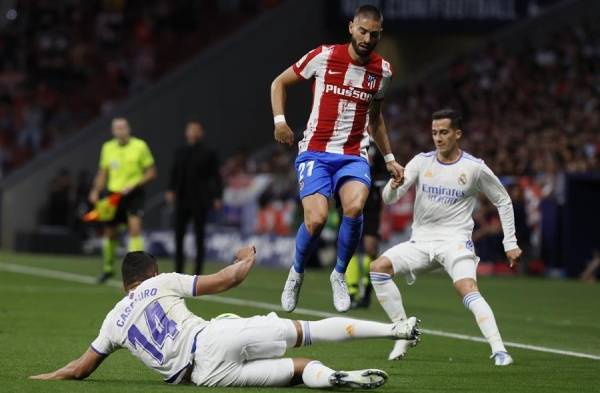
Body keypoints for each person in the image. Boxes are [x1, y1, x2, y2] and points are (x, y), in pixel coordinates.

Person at [29, 247, 421, 389]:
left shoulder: (113, 320)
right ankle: (394, 329)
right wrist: (246, 256)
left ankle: (335, 378)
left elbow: (80, 369)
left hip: (202, 377)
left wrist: (45, 377)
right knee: (307, 332)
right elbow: (227, 280)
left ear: (124, 285)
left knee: (300, 370)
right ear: (150, 273)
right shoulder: (161, 282)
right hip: (210, 339)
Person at [271, 4, 403, 313]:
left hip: (353, 154)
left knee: (355, 206)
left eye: (374, 34)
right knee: (315, 220)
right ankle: (296, 273)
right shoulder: (324, 55)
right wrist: (280, 121)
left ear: (379, 35)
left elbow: (377, 118)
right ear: (351, 28)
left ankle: (340, 274)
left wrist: (390, 158)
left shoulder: (382, 71)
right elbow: (278, 83)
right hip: (315, 151)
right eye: (363, 31)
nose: (368, 38)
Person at [369, 109, 522, 365]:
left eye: (444, 132)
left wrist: (511, 242)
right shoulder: (421, 162)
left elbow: (503, 200)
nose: (438, 138)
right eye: (434, 133)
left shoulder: (474, 168)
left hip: (455, 242)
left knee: (467, 289)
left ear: (457, 134)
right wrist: (391, 187)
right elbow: (389, 199)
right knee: (378, 269)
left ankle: (499, 350)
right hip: (421, 242)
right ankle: (403, 331)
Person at [89, 117, 157, 283]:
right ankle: (108, 268)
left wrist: (134, 184)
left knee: (134, 229)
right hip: (114, 194)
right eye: (117, 128)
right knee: (110, 232)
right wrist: (96, 190)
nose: (120, 131)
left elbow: (151, 172)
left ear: (129, 129)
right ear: (113, 131)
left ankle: (139, 272)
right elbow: (103, 172)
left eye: (123, 127)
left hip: (134, 194)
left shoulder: (140, 146)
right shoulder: (108, 147)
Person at [166, 120, 223, 275]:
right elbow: (174, 172)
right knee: (178, 236)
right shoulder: (180, 151)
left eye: (196, 130)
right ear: (186, 132)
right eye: (190, 129)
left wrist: (217, 197)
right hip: (182, 199)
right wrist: (170, 189)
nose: (193, 132)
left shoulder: (209, 153)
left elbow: (216, 177)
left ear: (201, 133)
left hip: (200, 200)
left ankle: (198, 272)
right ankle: (178, 271)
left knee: (200, 237)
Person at [346, 141, 387, 308]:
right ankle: (351, 292)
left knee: (370, 249)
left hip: (371, 205)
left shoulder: (377, 147)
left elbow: (385, 174)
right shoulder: (348, 142)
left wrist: (374, 181)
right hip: (350, 200)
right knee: (351, 248)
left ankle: (366, 292)